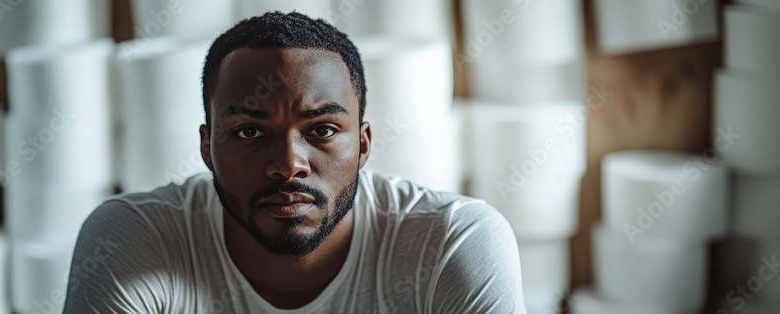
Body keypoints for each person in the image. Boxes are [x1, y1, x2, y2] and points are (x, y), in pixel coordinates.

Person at [62, 11, 525, 314]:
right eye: (249, 132)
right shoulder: (135, 238)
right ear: (207, 148)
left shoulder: (453, 242)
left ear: (363, 145)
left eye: (322, 130)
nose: (288, 165)